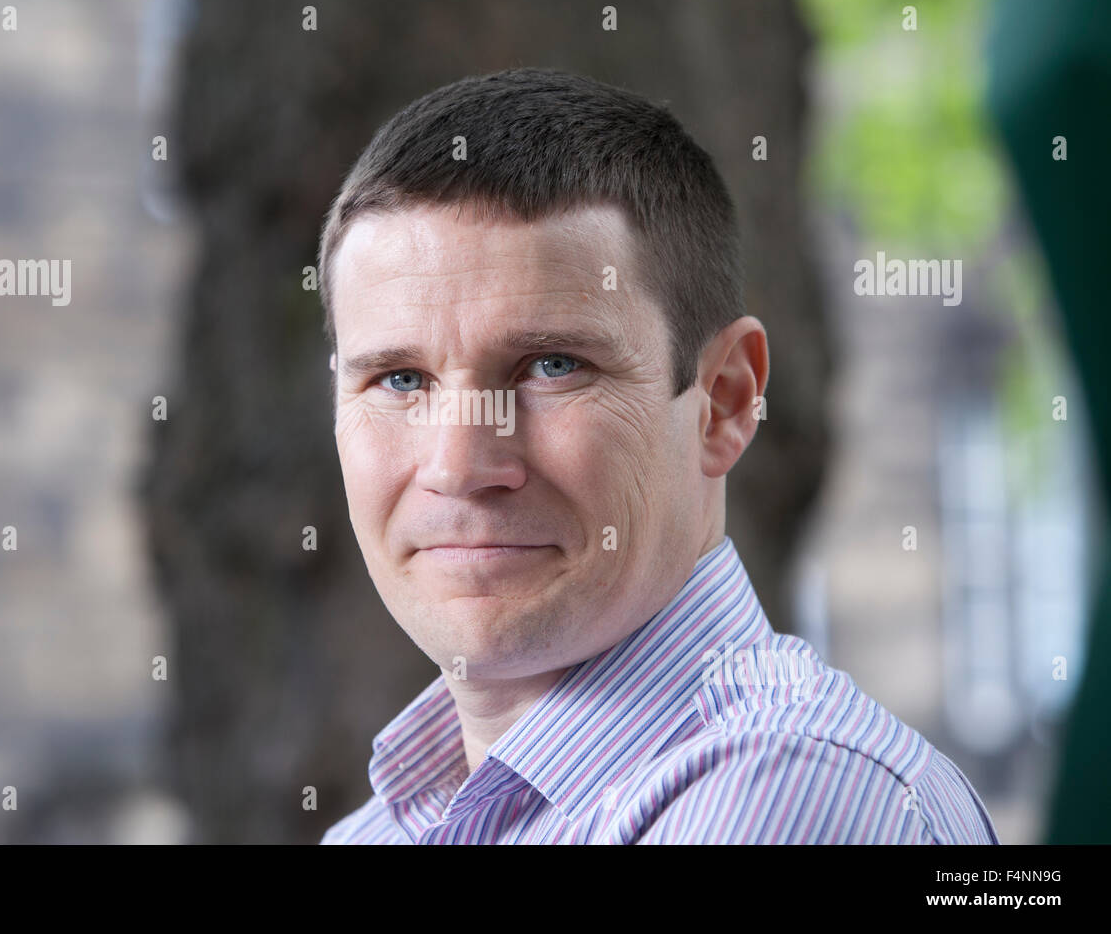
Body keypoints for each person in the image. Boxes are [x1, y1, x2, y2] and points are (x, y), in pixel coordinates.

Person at [316, 67, 998, 844]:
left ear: (724, 402)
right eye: (399, 379)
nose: (458, 466)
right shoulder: (375, 831)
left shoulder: (791, 794)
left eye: (551, 366)